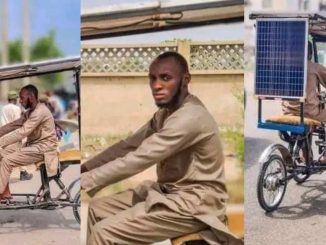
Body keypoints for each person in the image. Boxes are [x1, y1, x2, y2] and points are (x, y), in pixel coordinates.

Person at [81, 52, 242, 245]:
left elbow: (139, 158)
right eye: (153, 78)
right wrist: (85, 169)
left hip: (194, 203)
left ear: (185, 80)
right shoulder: (165, 114)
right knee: (96, 210)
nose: (156, 85)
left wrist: (87, 180)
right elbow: (129, 146)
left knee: (103, 233)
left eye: (165, 78)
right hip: (168, 193)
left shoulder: (190, 117)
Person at [0, 85, 58, 200]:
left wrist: (1, 141)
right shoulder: (30, 112)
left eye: (22, 98)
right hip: (33, 146)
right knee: (2, 153)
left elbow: (22, 132)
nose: (20, 101)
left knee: (7, 160)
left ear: (31, 97)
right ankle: (4, 192)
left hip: (43, 149)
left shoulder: (39, 112)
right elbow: (14, 125)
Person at [283, 41, 326, 121]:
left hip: (288, 110)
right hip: (309, 113)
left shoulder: (287, 67)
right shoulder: (314, 67)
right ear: (310, 54)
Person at [0, 90, 33, 181]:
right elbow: (18, 123)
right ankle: (23, 173)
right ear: (14, 99)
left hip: (4, 135)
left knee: (5, 155)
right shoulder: (16, 108)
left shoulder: (3, 108)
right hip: (14, 135)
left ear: (8, 99)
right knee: (20, 153)